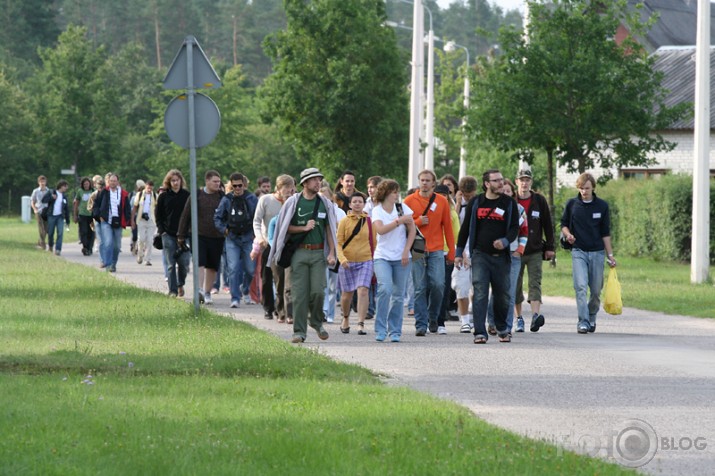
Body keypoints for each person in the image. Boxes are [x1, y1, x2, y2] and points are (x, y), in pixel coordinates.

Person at [268, 167, 337, 343]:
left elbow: (330, 229)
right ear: (305, 183)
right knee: (299, 294)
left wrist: (332, 253)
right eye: (314, 180)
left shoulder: (324, 203)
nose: (318, 183)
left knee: (318, 293)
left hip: (318, 253)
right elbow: (284, 227)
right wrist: (303, 228)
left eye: (319, 179)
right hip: (298, 253)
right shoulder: (293, 202)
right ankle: (299, 332)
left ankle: (315, 321)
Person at [455, 169, 519, 344]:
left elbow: (515, 228)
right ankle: (480, 332)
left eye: (501, 179)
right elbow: (465, 228)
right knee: (480, 292)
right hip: (480, 255)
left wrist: (505, 241)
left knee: (502, 295)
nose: (501, 183)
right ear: (487, 184)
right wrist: (459, 253)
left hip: (501, 257)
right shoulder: (476, 202)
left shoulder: (508, 203)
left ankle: (501, 327)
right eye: (496, 180)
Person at [560, 172, 616, 334]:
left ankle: (592, 316)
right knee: (581, 286)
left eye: (587, 188)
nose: (584, 191)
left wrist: (610, 255)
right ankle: (583, 321)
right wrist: (568, 234)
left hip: (597, 252)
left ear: (593, 188)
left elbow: (605, 233)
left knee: (596, 290)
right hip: (578, 251)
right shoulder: (572, 204)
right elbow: (563, 224)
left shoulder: (602, 206)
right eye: (581, 188)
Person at [403, 169, 455, 336]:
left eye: (427, 180)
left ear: (434, 183)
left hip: (437, 248)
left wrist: (452, 251)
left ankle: (433, 316)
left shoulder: (441, 201)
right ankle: (420, 324)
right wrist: (418, 221)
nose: (424, 183)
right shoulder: (409, 201)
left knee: (438, 284)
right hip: (417, 248)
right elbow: (403, 225)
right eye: (422, 180)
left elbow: (448, 226)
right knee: (419, 287)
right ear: (419, 182)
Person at [372, 179, 416, 342]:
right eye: (394, 192)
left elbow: (412, 231)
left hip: (402, 257)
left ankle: (395, 330)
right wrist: (399, 221)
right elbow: (381, 230)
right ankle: (380, 328)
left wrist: (406, 251)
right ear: (386, 193)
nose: (397, 195)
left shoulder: (402, 208)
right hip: (382, 256)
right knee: (385, 289)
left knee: (398, 296)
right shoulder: (377, 210)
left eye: (398, 191)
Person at [513, 168, 556, 333]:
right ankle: (519, 318)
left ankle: (535, 316)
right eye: (521, 180)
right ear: (517, 181)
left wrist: (550, 247)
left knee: (535, 282)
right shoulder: (511, 200)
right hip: (516, 250)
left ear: (531, 182)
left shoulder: (539, 200)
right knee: (516, 284)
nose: (524, 183)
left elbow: (548, 224)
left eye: (527, 180)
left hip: (535, 249)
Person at [486, 178, 528, 336]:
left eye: (508, 192)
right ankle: (492, 321)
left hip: (513, 254)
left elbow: (524, 231)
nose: (505, 194)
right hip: (496, 254)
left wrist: (520, 249)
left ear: (513, 193)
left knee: (509, 291)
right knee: (497, 290)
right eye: (503, 191)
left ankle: (506, 327)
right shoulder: (493, 209)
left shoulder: (519, 209)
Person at [177, 170, 225, 305]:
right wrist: (181, 235)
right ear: (207, 181)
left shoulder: (222, 196)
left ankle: (208, 292)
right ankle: (199, 290)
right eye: (215, 181)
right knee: (200, 261)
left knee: (213, 266)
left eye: (218, 181)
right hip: (198, 235)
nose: (217, 184)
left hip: (217, 236)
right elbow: (186, 215)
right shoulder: (197, 195)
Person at [253, 174, 295, 319]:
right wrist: (260, 238)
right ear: (278, 188)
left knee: (283, 279)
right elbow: (257, 221)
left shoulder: (292, 201)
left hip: (286, 245)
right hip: (268, 243)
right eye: (287, 188)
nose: (290, 191)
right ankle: (268, 307)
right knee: (267, 277)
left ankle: (282, 309)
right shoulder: (265, 200)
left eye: (292, 188)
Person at [214, 172, 258, 309]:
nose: (238, 188)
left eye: (240, 185)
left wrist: (256, 234)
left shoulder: (251, 198)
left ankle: (245, 289)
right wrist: (224, 230)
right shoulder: (227, 199)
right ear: (231, 185)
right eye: (235, 186)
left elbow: (258, 217)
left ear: (244, 185)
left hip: (248, 237)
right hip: (232, 238)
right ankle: (235, 297)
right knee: (232, 269)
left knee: (250, 269)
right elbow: (217, 217)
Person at [336, 192, 376, 336]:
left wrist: (373, 260)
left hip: (365, 260)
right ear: (350, 204)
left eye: (360, 201)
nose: (357, 204)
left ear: (364, 204)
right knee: (347, 295)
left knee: (363, 290)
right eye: (355, 201)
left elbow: (374, 243)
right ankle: (345, 318)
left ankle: (361, 323)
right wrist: (342, 259)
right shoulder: (344, 221)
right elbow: (339, 243)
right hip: (347, 262)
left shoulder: (370, 222)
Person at [155, 169, 191, 296]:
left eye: (177, 180)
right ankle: (173, 290)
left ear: (181, 181)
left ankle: (180, 283)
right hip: (168, 234)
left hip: (184, 235)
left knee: (184, 263)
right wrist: (162, 231)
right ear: (169, 182)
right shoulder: (164, 196)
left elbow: (191, 215)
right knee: (170, 264)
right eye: (173, 181)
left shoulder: (187, 196)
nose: (175, 183)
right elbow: (158, 215)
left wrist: (189, 230)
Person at [454, 176, 479, 333]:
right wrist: (457, 203)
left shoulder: (480, 203)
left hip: (477, 249)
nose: (467, 197)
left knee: (478, 288)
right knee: (461, 286)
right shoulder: (457, 204)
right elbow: (454, 223)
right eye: (465, 194)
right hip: (461, 248)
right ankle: (464, 320)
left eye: (470, 195)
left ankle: (477, 319)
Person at [435, 184, 460, 334]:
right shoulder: (430, 212)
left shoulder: (452, 214)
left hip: (445, 253)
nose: (442, 198)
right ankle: (428, 317)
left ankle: (440, 320)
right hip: (430, 252)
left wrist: (457, 253)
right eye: (438, 195)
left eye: (444, 195)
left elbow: (457, 235)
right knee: (429, 287)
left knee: (443, 288)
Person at [320, 183, 346, 324]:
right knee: (322, 283)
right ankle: (323, 312)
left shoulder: (339, 212)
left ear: (331, 198)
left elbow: (342, 233)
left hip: (335, 251)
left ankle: (330, 313)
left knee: (332, 285)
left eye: (325, 197)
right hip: (321, 250)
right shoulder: (318, 212)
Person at [95, 173, 132, 272]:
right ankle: (108, 264)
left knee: (117, 246)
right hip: (106, 221)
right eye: (111, 181)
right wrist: (99, 217)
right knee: (108, 243)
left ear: (118, 182)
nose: (112, 183)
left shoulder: (123, 194)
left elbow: (128, 208)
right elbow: (96, 205)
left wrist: (127, 218)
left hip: (118, 222)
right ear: (108, 182)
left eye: (114, 181)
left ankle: (113, 263)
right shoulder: (104, 192)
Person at [42, 180, 71, 256]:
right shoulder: (52, 192)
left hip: (60, 217)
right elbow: (43, 200)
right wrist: (51, 198)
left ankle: (58, 249)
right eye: (65, 186)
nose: (66, 188)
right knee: (50, 233)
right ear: (61, 186)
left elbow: (66, 209)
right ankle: (51, 245)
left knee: (60, 233)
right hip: (51, 216)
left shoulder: (64, 196)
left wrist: (67, 220)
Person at [133, 180, 157, 266]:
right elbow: (135, 207)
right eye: (148, 187)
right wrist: (132, 220)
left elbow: (157, 208)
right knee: (141, 239)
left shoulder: (155, 196)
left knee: (150, 240)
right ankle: (140, 255)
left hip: (151, 221)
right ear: (145, 186)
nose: (149, 189)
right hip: (141, 220)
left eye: (151, 188)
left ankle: (148, 259)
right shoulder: (139, 195)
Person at [73, 177, 95, 256]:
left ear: (90, 184)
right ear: (82, 185)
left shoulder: (93, 191)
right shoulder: (80, 191)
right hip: (82, 215)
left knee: (91, 232)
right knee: (83, 231)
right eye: (84, 184)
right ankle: (85, 247)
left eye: (87, 184)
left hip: (92, 215)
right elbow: (76, 203)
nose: (86, 185)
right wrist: (75, 215)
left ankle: (90, 248)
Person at [30, 175, 50, 250]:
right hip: (39, 211)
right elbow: (32, 201)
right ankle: (43, 244)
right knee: (41, 227)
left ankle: (40, 240)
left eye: (44, 181)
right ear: (38, 182)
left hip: (47, 212)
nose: (42, 183)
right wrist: (34, 209)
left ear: (46, 182)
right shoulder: (35, 191)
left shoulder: (49, 191)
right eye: (41, 181)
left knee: (46, 228)